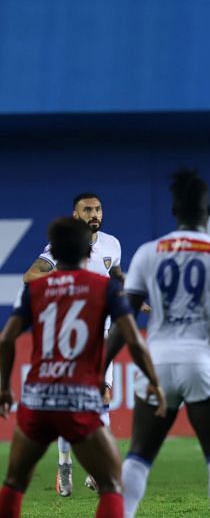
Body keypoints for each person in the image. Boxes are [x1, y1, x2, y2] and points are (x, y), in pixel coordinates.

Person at [0, 217, 165, 518]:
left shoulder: (33, 291)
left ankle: (62, 469)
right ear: (88, 254)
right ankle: (71, 469)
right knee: (111, 485)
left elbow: (6, 339)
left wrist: (3, 389)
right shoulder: (104, 288)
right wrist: (154, 381)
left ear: (54, 254)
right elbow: (132, 339)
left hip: (37, 398)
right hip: (79, 399)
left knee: (13, 482)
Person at [111, 169, 210, 518]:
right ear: (209, 211)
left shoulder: (147, 253)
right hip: (204, 364)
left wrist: (98, 367)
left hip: (156, 363)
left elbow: (124, 320)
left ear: (174, 211)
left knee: (139, 456)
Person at [23, 192, 123, 497]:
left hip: (102, 335)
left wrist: (130, 294)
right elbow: (31, 274)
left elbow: (115, 274)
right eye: (87, 210)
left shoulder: (112, 244)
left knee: (102, 397)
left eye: (97, 209)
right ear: (75, 215)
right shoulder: (60, 249)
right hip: (70, 341)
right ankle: (65, 464)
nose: (94, 214)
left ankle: (95, 470)